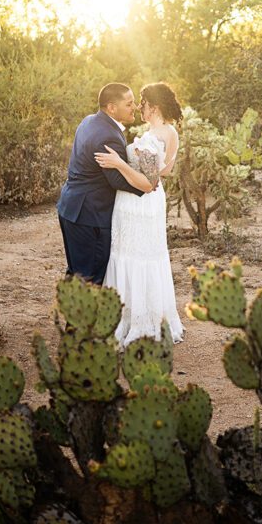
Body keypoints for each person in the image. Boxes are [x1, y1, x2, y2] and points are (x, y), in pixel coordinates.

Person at [94, 82, 184, 347]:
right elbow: (165, 171)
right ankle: (134, 315)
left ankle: (138, 321)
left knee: (138, 257)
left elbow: (150, 181)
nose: (138, 108)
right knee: (132, 255)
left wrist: (120, 163)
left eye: (142, 103)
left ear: (153, 106)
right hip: (136, 204)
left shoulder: (160, 133)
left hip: (141, 203)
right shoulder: (166, 131)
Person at [57, 83, 154, 284]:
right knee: (91, 276)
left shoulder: (89, 121)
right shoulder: (107, 135)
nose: (135, 107)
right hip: (89, 214)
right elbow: (116, 180)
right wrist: (147, 184)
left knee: (77, 272)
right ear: (111, 107)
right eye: (129, 103)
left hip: (71, 207)